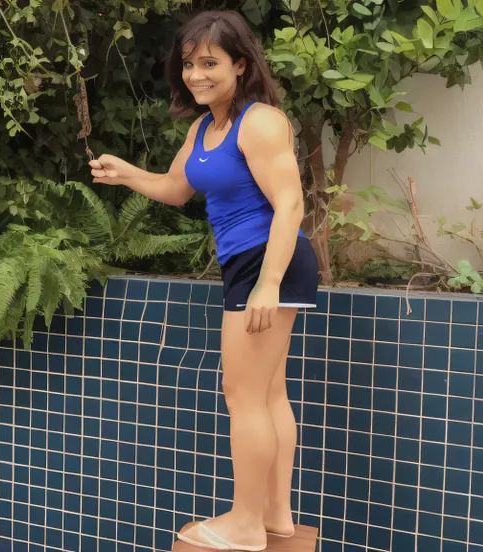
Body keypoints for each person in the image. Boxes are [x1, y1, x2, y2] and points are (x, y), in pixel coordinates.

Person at [89, 9, 319, 551]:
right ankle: (275, 516)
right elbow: (176, 188)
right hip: (253, 263)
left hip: (268, 261)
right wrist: (125, 173)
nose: (196, 74)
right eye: (190, 63)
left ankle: (244, 525)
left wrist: (268, 282)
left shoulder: (259, 121)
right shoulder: (204, 126)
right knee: (268, 392)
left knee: (241, 394)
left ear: (240, 64)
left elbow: (291, 203)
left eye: (211, 62)